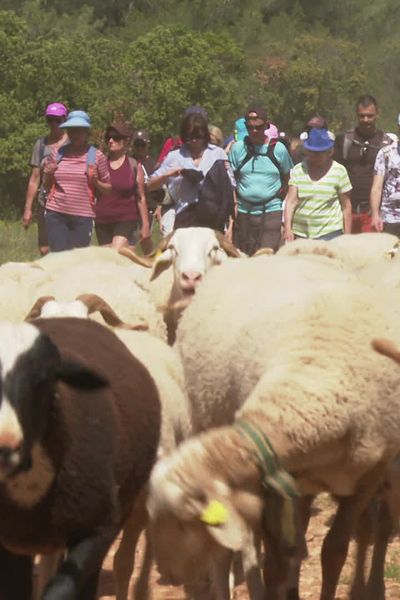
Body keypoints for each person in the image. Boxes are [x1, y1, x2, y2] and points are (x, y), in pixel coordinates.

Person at [148, 112, 235, 233]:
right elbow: (150, 185)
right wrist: (167, 175)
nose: (194, 141)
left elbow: (230, 186)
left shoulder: (218, 154)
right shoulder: (174, 156)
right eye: (189, 138)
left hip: (212, 218)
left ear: (205, 135)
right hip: (185, 217)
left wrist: (230, 224)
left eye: (198, 137)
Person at [42, 110, 111, 252]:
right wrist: (47, 174)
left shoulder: (97, 156)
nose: (76, 134)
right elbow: (47, 186)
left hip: (83, 216)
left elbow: (108, 189)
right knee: (59, 255)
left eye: (80, 131)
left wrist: (96, 181)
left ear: (87, 133)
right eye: (72, 131)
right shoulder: (57, 153)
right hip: (56, 212)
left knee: (76, 260)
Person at [229, 105, 293, 254]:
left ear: (266, 125)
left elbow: (288, 177)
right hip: (243, 211)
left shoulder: (278, 149)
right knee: (243, 256)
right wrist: (233, 204)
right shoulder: (238, 148)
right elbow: (230, 179)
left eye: (258, 127)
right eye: (250, 127)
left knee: (266, 254)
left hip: (271, 210)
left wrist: (282, 203)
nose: (254, 131)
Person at [334, 95, 392, 233]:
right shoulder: (344, 141)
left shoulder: (387, 144)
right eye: (362, 116)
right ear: (356, 115)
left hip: (373, 212)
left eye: (370, 116)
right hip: (346, 209)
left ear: (377, 114)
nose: (366, 120)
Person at [284, 128, 352, 241]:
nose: (316, 155)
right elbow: (291, 201)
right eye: (313, 152)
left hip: (330, 232)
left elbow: (346, 206)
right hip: (301, 233)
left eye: (320, 152)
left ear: (329, 151)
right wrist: (287, 228)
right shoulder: (298, 170)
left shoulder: (339, 171)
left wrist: (347, 236)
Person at [95, 121, 150, 251]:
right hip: (103, 219)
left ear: (126, 141)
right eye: (108, 137)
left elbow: (141, 197)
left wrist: (145, 224)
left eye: (116, 137)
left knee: (116, 251)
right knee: (109, 262)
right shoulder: (100, 164)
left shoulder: (134, 165)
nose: (111, 140)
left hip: (126, 218)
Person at [23, 102, 69, 255]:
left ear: (65, 119)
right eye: (50, 120)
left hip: (67, 202)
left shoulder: (73, 143)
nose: (54, 124)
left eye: (58, 120)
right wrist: (28, 209)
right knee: (44, 248)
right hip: (46, 201)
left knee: (64, 248)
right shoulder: (41, 145)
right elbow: (34, 178)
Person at [370, 114, 400, 236]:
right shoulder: (385, 153)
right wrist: (375, 215)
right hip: (389, 217)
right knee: (390, 254)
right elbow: (376, 188)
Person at [131, 128, 164, 234]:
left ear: (148, 145)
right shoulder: (128, 162)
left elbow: (162, 188)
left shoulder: (154, 164)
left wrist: (159, 207)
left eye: (142, 145)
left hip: (150, 209)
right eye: (137, 145)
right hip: (132, 208)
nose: (140, 148)